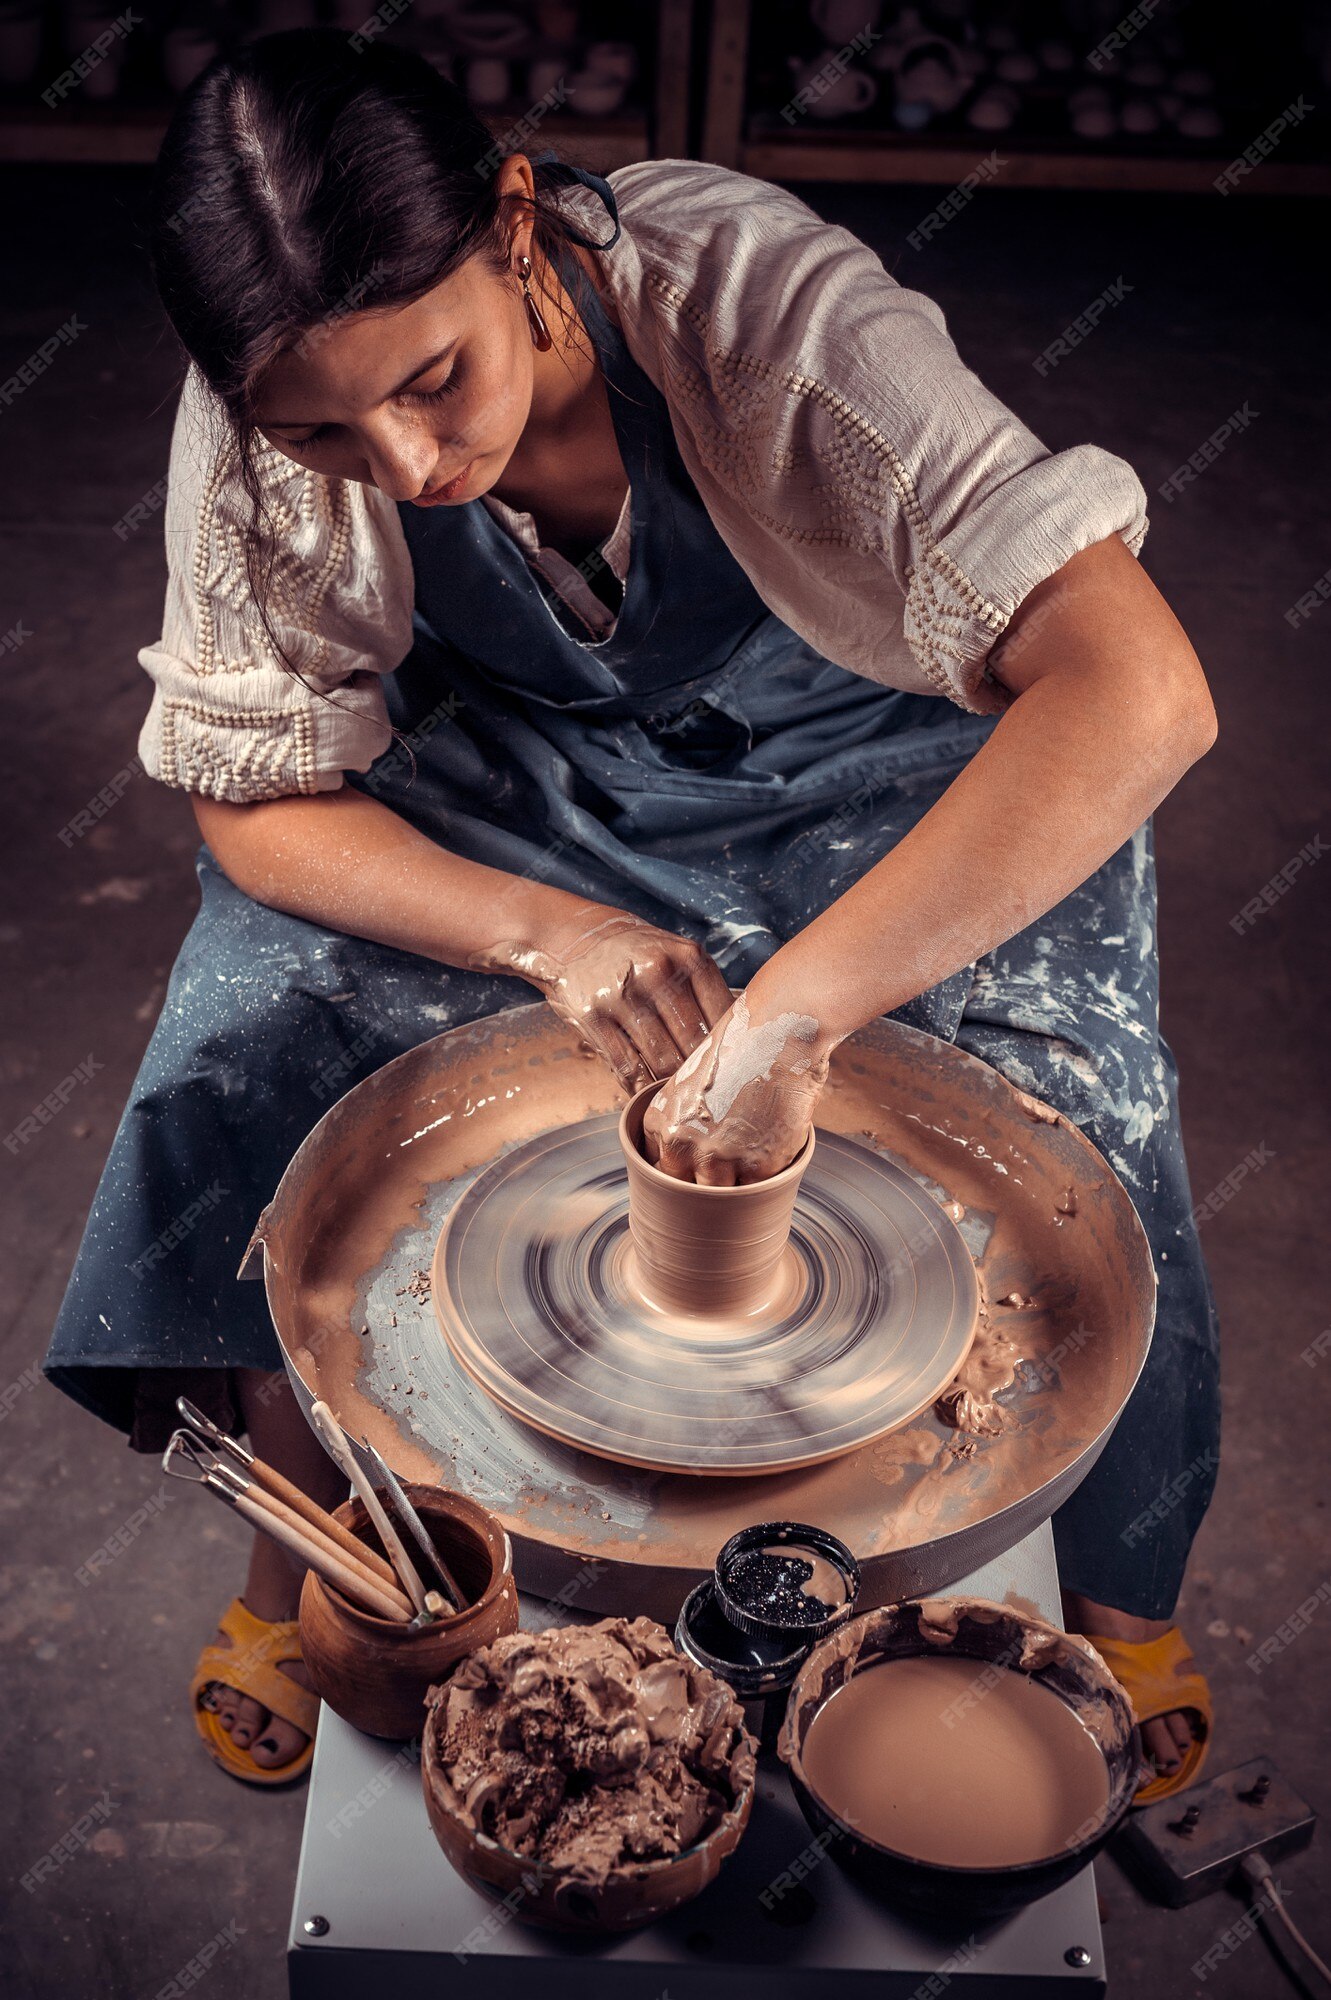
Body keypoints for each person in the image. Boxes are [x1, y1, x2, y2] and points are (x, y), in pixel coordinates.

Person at [44, 30, 1218, 1792]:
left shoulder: (760, 310)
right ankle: (324, 1573)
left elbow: (1142, 693)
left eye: (435, 378)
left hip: (877, 743)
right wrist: (544, 931)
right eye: (324, 431)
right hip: (537, 772)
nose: (407, 460)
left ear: (516, 227)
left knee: (1068, 1099)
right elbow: (252, 797)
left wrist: (796, 1014)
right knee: (250, 1042)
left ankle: (1110, 1601)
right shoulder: (266, 418)